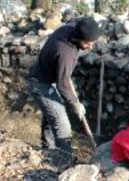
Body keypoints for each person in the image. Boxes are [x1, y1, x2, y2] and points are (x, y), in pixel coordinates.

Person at [27, 17, 100, 166]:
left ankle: (48, 149)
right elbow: (63, 84)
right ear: (79, 38)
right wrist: (75, 103)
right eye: (87, 43)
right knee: (61, 121)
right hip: (40, 83)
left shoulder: (70, 28)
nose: (90, 47)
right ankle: (64, 161)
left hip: (48, 76)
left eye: (93, 42)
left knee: (51, 114)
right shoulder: (66, 52)